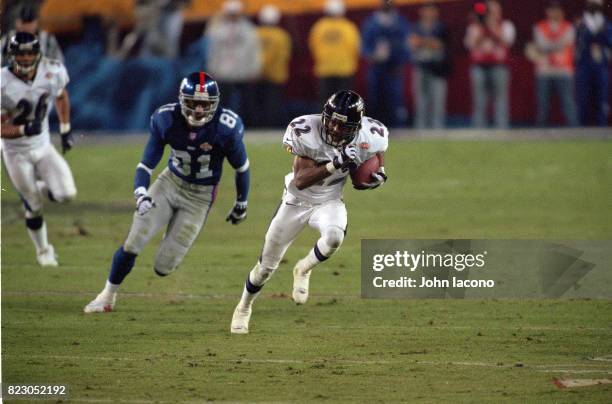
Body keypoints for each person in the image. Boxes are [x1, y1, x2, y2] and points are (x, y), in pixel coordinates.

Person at [84, 71, 250, 313]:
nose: (198, 110)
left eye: (204, 105)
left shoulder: (226, 128)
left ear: (214, 105)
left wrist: (241, 203)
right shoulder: (166, 119)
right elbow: (146, 164)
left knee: (164, 267)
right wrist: (141, 193)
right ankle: (107, 296)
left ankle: (170, 233)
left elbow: (242, 168)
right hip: (169, 183)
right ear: (182, 100)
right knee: (134, 241)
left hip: (200, 197)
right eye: (193, 103)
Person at [230, 90, 389, 334]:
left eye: (342, 125)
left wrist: (375, 177)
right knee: (265, 268)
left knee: (335, 236)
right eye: (332, 121)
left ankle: (304, 268)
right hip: (296, 201)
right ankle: (244, 306)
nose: (335, 129)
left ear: (357, 126)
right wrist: (335, 163)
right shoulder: (304, 130)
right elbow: (301, 180)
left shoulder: (372, 134)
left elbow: (375, 159)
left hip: (329, 201)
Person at [1, 32, 76, 267]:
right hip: (15, 151)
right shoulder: (2, 81)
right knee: (33, 205)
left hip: (43, 145)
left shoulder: (52, 71)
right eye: (20, 53)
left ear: (38, 54)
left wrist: (65, 128)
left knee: (66, 194)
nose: (24, 58)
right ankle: (44, 250)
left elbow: (61, 96)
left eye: (29, 53)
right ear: (11, 55)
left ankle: (41, 187)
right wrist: (23, 130)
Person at [205, 0, 262, 127]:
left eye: (234, 13)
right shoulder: (217, 29)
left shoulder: (248, 29)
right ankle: (220, 125)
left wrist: (255, 69)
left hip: (243, 71)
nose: (232, 16)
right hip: (223, 71)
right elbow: (212, 51)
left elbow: (254, 51)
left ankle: (250, 127)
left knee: (247, 102)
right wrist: (212, 68)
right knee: (222, 101)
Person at [464, 0, 515, 128]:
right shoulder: (475, 26)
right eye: (489, 11)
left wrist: (492, 28)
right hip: (479, 66)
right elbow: (470, 45)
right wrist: (482, 27)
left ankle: (501, 128)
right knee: (479, 100)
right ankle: (479, 128)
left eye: (494, 11)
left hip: (499, 66)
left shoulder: (506, 25)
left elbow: (506, 42)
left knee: (500, 99)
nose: (491, 14)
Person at [361, 0, 411, 127]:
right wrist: (371, 56)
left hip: (393, 68)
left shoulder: (400, 22)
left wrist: (400, 62)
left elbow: (406, 44)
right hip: (377, 68)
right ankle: (375, 129)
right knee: (375, 100)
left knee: (394, 101)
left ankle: (396, 127)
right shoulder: (371, 22)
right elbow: (364, 45)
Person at [527, 0, 578, 127]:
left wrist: (549, 45)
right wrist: (556, 44)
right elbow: (541, 44)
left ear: (561, 12)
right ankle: (540, 135)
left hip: (563, 71)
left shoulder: (568, 27)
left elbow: (566, 41)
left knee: (568, 104)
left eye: (557, 10)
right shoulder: (540, 27)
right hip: (544, 71)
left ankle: (575, 133)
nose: (554, 12)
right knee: (542, 105)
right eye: (551, 9)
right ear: (547, 11)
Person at [309, 0, 361, 105]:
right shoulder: (348, 27)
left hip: (325, 70)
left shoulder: (319, 27)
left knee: (326, 103)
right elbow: (356, 47)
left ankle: (324, 121)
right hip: (344, 70)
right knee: (343, 105)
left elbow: (313, 46)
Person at [409, 2, 450, 129]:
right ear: (421, 12)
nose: (428, 13)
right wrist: (429, 42)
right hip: (421, 66)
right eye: (426, 10)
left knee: (438, 101)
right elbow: (412, 43)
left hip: (437, 68)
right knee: (420, 100)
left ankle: (437, 128)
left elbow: (440, 45)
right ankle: (420, 128)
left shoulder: (441, 27)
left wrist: (422, 41)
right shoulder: (415, 27)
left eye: (431, 10)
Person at [575, 0, 612, 126]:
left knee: (602, 98)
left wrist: (598, 37)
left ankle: (601, 127)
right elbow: (578, 40)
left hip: (601, 64)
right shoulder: (580, 21)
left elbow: (609, 40)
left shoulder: (606, 22)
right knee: (582, 98)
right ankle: (581, 128)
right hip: (584, 64)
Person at [256, 5, 292, 127]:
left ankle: (258, 125)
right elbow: (284, 56)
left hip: (256, 74)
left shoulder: (255, 34)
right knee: (273, 103)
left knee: (258, 102)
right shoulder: (282, 36)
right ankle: (272, 126)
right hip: (275, 75)